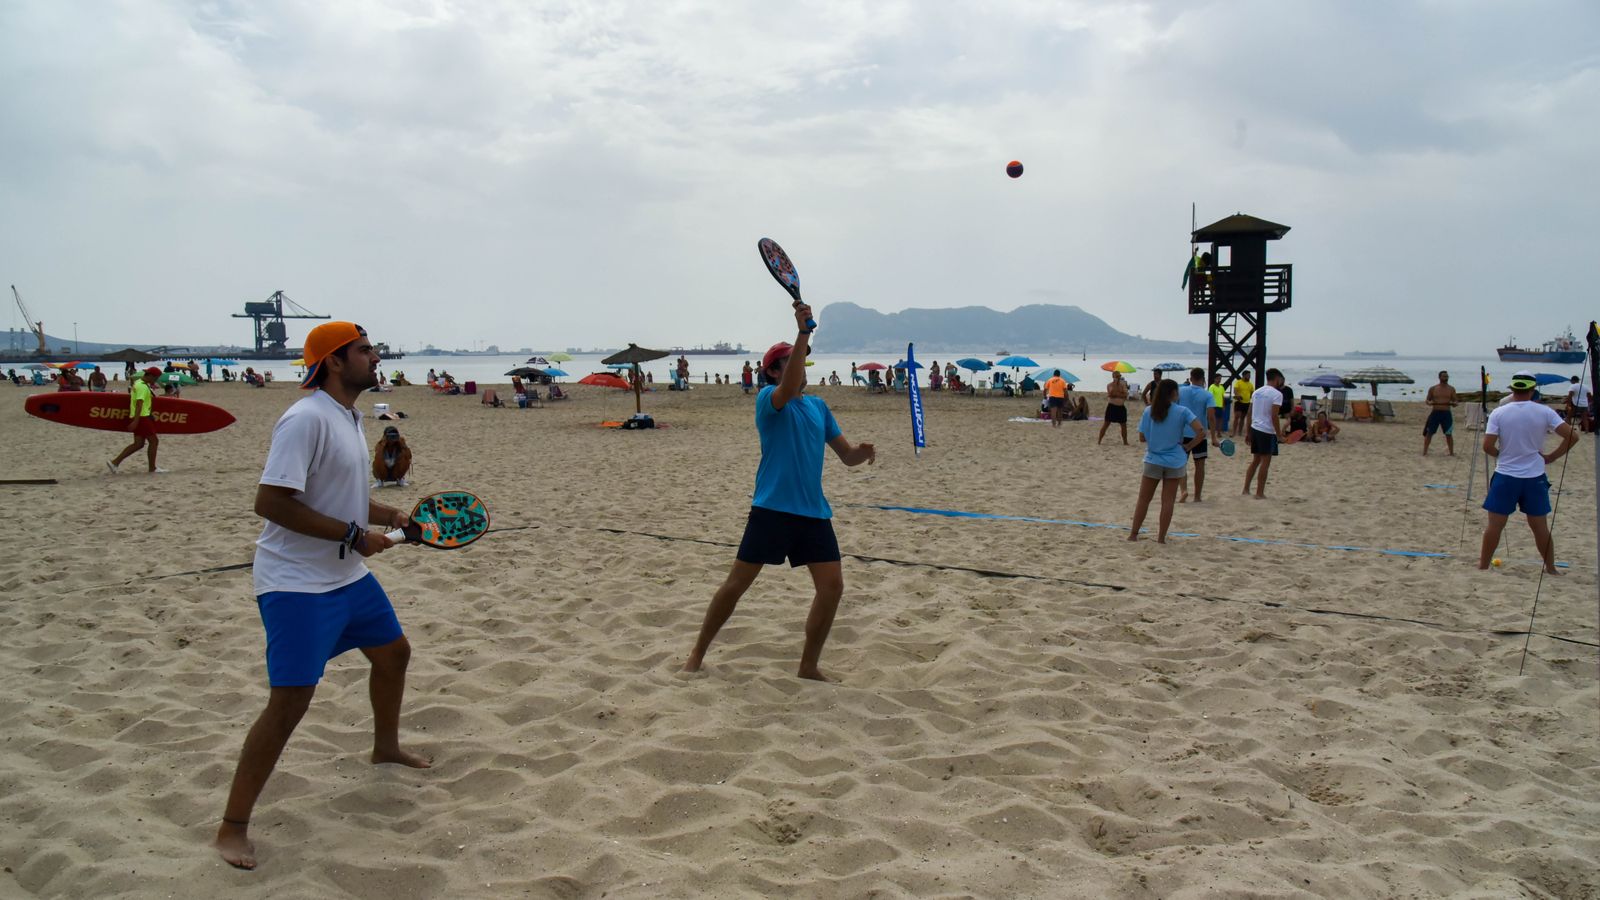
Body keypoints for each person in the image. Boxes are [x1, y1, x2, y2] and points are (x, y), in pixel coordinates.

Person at [215, 322, 428, 870]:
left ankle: (385, 747)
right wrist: (355, 536)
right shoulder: (305, 418)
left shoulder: (349, 416)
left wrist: (389, 516)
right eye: (364, 350)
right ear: (333, 362)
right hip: (296, 585)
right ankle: (232, 827)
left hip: (346, 576)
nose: (375, 356)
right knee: (289, 703)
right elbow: (271, 502)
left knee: (394, 654)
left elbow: (342, 496)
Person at [684, 304, 875, 681]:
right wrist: (803, 333)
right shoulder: (769, 399)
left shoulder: (819, 407)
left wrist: (861, 454)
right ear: (772, 370)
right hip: (771, 509)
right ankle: (696, 654)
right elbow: (789, 386)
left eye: (801, 359)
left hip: (813, 514)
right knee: (736, 585)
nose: (800, 365)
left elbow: (845, 455)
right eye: (790, 360)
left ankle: (808, 666)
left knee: (832, 588)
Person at [1479, 371, 1578, 575]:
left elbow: (1487, 446)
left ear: (1513, 389)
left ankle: (1482, 566)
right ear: (1533, 390)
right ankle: (1550, 568)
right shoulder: (1545, 412)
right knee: (1540, 527)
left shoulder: (1500, 412)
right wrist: (1552, 456)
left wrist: (1502, 455)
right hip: (1534, 476)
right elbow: (1573, 437)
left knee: (1495, 526)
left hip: (1506, 475)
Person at [1128, 379, 1204, 543]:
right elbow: (1201, 431)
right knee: (1168, 501)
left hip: (1153, 458)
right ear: (1174, 393)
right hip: (1175, 460)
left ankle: (1133, 534)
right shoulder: (1183, 411)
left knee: (1143, 499)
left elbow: (1141, 437)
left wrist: (1156, 438)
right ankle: (1161, 538)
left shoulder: (1149, 411)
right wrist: (1187, 446)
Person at [108, 367, 165, 474]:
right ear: (150, 376)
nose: (156, 380)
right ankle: (152, 468)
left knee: (138, 444)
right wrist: (136, 421)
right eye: (156, 378)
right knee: (154, 441)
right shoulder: (142, 387)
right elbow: (139, 403)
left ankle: (114, 463)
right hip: (142, 417)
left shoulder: (138, 383)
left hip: (140, 416)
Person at [1243, 368, 1286, 498]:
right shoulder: (1277, 394)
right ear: (1277, 379)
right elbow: (1274, 416)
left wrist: (1248, 432)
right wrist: (1279, 435)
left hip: (1255, 428)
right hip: (1267, 431)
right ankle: (1259, 493)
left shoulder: (1257, 392)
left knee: (1256, 460)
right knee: (1265, 462)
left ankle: (1245, 489)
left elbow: (1249, 413)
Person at [1177, 367, 1215, 502]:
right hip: (1199, 434)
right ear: (1203, 379)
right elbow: (1211, 417)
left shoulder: (1180, 391)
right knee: (1200, 465)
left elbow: (1174, 410)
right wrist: (1214, 437)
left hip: (1182, 433)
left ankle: (1184, 491)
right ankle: (1197, 496)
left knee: (1182, 464)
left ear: (1191, 378)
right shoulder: (1207, 395)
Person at [1423, 370, 1459, 456]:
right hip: (1435, 413)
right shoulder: (1433, 388)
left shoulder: (1451, 389)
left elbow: (1455, 401)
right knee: (1429, 433)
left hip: (1446, 413)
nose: (1445, 378)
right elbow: (1427, 400)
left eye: (1447, 376)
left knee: (1448, 434)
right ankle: (1425, 452)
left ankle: (1451, 452)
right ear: (1439, 377)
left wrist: (1455, 404)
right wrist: (1429, 403)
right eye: (1444, 376)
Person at [1098, 370, 1130, 444]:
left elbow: (1125, 395)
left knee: (1123, 425)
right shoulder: (1110, 385)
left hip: (1121, 407)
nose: (1118, 378)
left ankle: (1125, 441)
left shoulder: (1123, 385)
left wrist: (1118, 394)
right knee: (1106, 424)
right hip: (1112, 407)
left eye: (1119, 376)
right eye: (1117, 376)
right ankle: (1099, 440)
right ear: (1113, 377)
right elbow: (1111, 394)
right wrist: (1118, 392)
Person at [1230, 371, 1255, 437]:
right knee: (1237, 417)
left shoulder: (1250, 384)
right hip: (1239, 402)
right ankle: (1234, 432)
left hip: (1247, 403)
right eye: (1248, 375)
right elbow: (1235, 390)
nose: (1249, 377)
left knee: (1242, 418)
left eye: (1249, 375)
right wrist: (1237, 395)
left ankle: (1240, 432)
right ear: (1244, 375)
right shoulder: (1238, 382)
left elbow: (1252, 393)